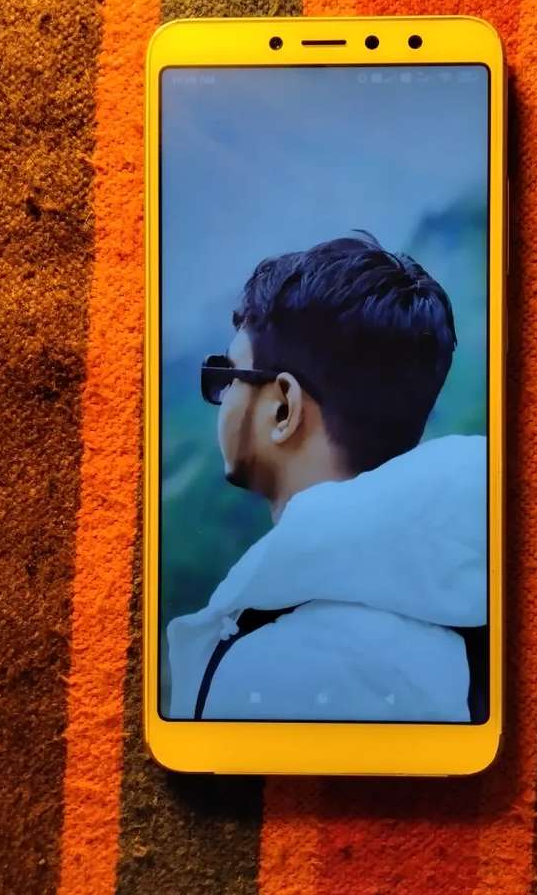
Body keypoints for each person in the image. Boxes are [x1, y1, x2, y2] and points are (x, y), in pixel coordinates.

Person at [167, 231, 487, 722]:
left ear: (283, 408)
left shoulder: (268, 668)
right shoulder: (471, 600)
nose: (223, 398)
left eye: (228, 377)